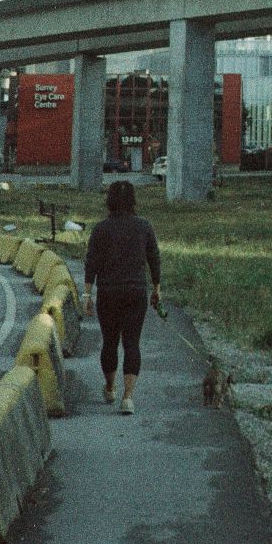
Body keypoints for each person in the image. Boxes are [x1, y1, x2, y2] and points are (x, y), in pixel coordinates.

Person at [82, 178, 162, 415]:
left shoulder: (100, 229)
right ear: (133, 202)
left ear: (109, 202)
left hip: (108, 292)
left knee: (109, 342)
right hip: (136, 292)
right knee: (132, 343)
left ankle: (110, 386)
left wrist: (87, 294)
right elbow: (154, 259)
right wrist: (156, 288)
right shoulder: (144, 226)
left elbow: (91, 263)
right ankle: (128, 397)